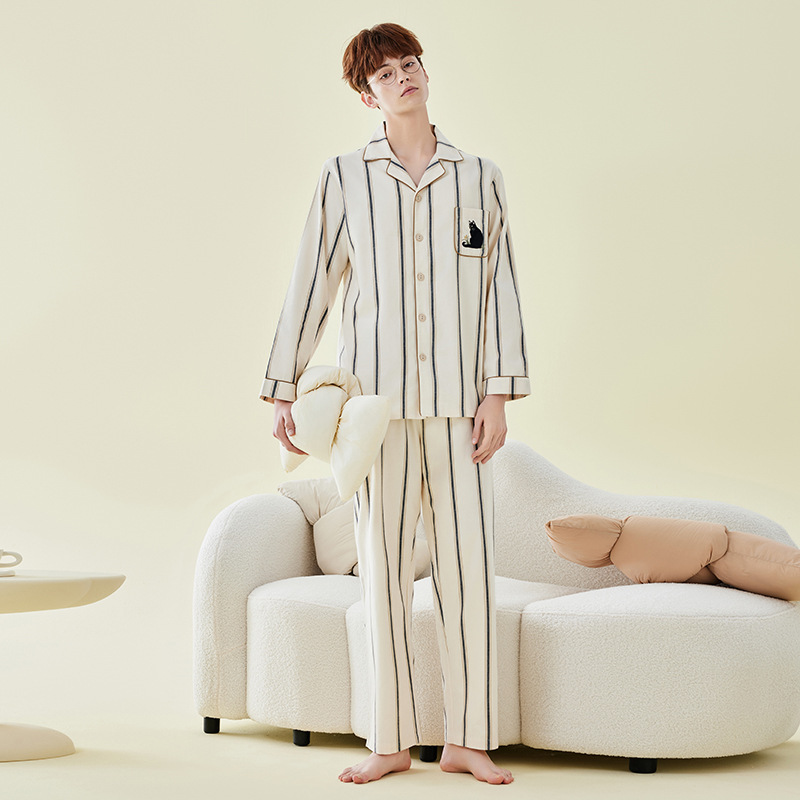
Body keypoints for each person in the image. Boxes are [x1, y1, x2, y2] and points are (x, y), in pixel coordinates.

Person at [259, 23, 530, 784]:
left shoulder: (478, 177)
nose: (403, 77)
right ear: (367, 95)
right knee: (381, 573)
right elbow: (312, 283)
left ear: (424, 72)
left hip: (461, 411)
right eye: (385, 74)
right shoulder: (344, 177)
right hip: (373, 416)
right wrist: (283, 386)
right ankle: (389, 740)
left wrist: (499, 393)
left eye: (409, 64)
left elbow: (501, 289)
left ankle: (468, 740)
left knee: (468, 571)